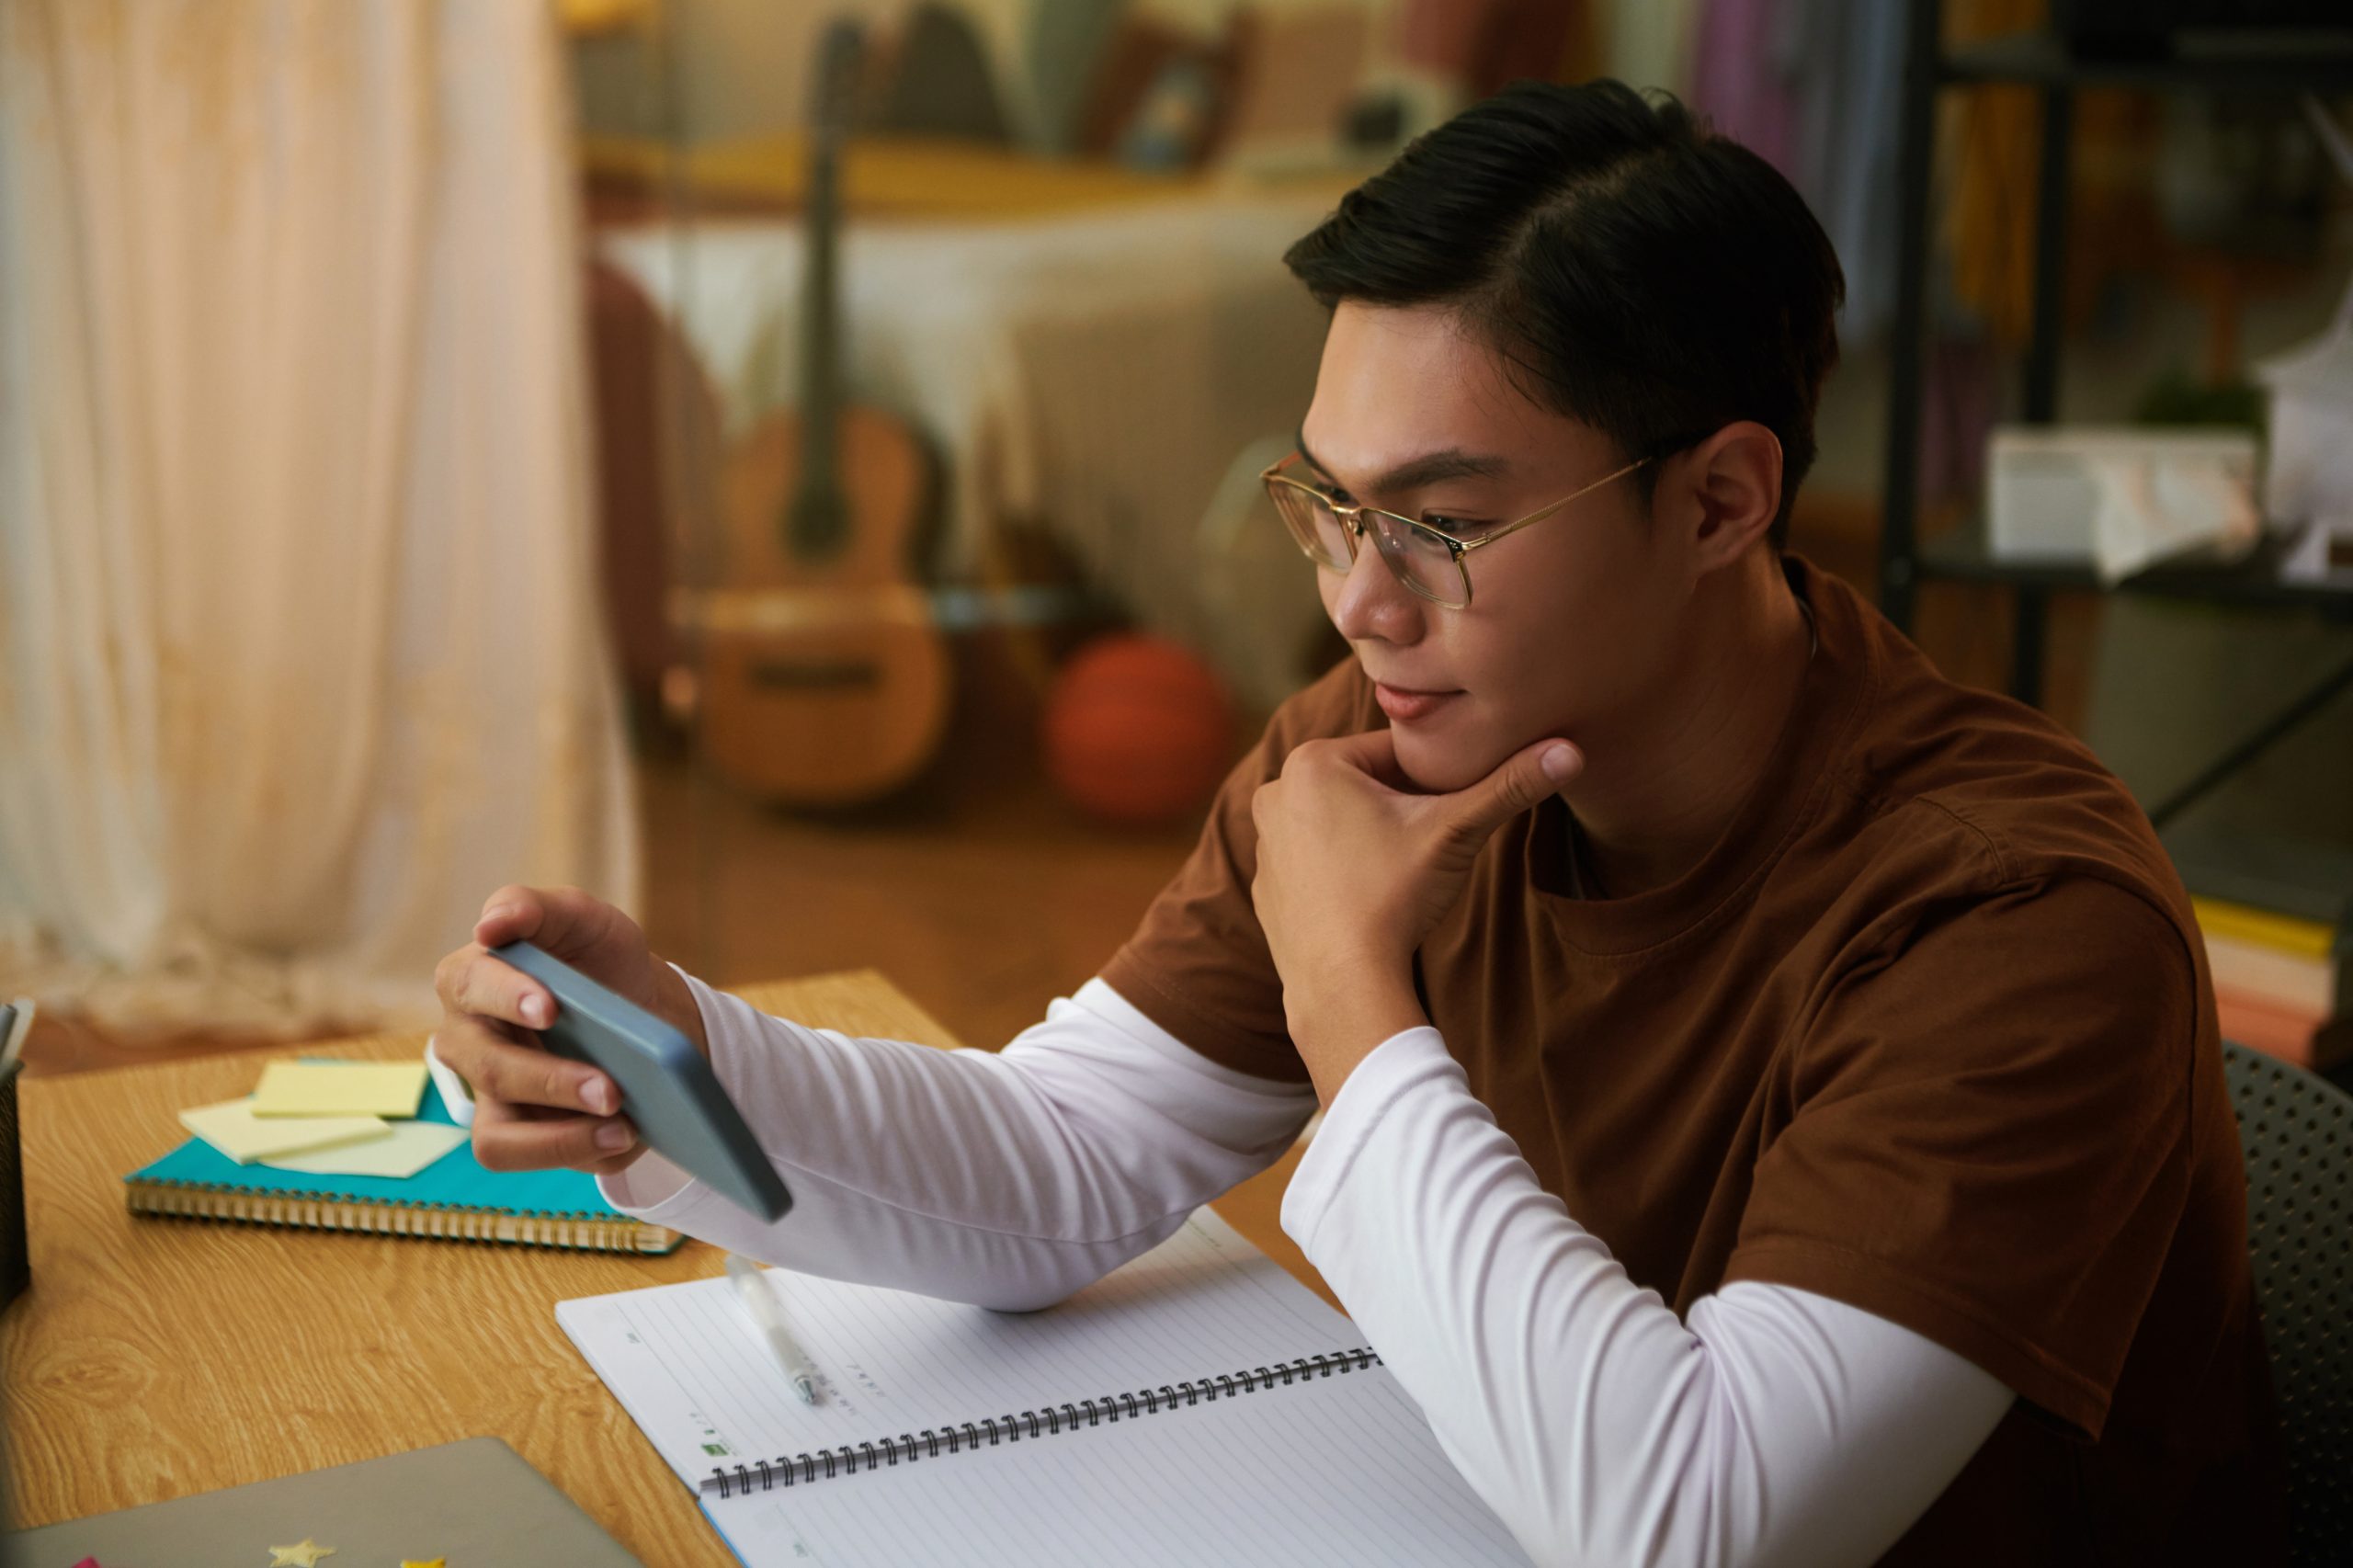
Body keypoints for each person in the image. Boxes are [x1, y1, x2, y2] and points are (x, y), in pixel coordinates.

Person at [432, 81, 2280, 1566]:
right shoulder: (1408, 737)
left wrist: (1346, 986)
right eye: (1326, 503)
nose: (1357, 605)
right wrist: (681, 1062)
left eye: (1442, 523)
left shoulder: (2011, 909)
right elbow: (1066, 1153)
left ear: (1720, 500)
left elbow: (1694, 1519)